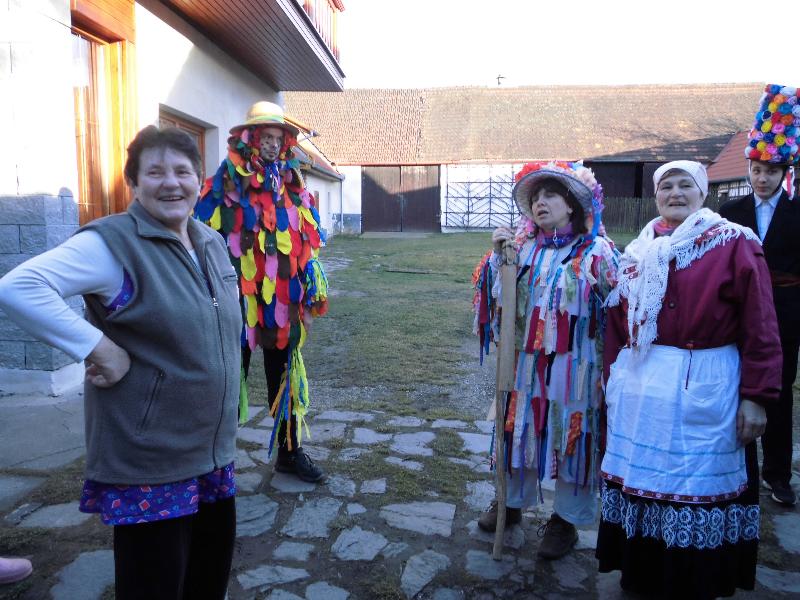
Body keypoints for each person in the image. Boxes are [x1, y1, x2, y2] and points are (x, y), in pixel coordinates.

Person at [0, 126, 242, 600]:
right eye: (155, 172)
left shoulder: (209, 241)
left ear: (199, 181)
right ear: (133, 182)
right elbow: (19, 287)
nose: (170, 182)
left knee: (207, 578)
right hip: (151, 458)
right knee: (155, 586)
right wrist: (98, 347)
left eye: (182, 171)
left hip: (212, 451)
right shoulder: (112, 244)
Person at [597, 160, 782, 598]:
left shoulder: (735, 243)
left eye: (685, 185)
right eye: (666, 187)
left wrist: (756, 396)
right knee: (646, 482)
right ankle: (642, 573)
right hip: (644, 388)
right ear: (656, 196)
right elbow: (619, 324)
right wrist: (613, 378)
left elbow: (760, 323)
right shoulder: (639, 250)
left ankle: (695, 581)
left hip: (707, 382)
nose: (675, 194)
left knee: (695, 479)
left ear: (703, 194)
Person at [473, 161, 618, 560]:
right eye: (535, 198)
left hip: (577, 367)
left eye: (550, 195)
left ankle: (564, 521)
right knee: (518, 427)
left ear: (571, 204)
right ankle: (510, 503)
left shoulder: (598, 252)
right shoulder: (521, 251)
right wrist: (498, 259)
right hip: (524, 364)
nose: (540, 203)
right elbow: (494, 300)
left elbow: (618, 312)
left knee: (572, 433)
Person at [195, 101, 329, 483]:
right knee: (226, 376)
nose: (271, 144)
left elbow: (306, 244)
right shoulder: (226, 182)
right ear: (251, 139)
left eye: (277, 138)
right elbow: (201, 233)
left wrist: (308, 296)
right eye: (265, 137)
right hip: (234, 300)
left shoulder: (293, 185)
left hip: (281, 300)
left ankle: (290, 453)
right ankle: (211, 460)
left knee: (284, 376)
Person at [719, 83, 800, 506]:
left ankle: (778, 473)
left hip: (786, 313)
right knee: (737, 385)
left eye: (770, 171)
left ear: (783, 173)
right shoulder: (729, 213)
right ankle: (741, 467)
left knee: (778, 390)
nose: (762, 178)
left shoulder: (797, 213)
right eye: (756, 170)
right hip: (739, 312)